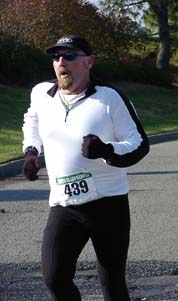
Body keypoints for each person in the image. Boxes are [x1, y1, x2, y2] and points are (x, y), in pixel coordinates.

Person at [21, 35, 149, 300]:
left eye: (69, 56)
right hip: (64, 204)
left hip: (108, 204)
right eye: (56, 57)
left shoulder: (109, 98)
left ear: (89, 62)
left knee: (112, 284)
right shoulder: (41, 94)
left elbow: (139, 144)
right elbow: (31, 120)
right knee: (54, 277)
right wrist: (31, 152)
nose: (60, 62)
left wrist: (106, 150)